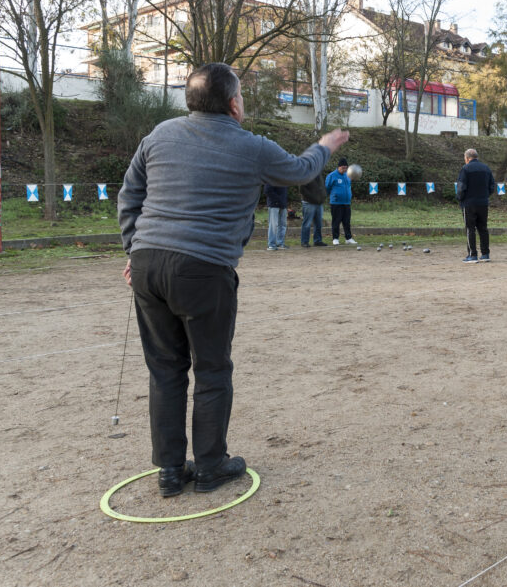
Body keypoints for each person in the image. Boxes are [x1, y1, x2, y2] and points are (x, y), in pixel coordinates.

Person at [118, 62, 348, 497]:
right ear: (233, 104)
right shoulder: (251, 147)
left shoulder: (159, 135)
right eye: (241, 94)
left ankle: (169, 470)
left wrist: (135, 249)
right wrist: (325, 145)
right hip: (203, 268)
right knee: (212, 368)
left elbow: (130, 195)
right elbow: (301, 171)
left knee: (165, 370)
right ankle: (209, 466)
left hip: (148, 265)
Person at [455, 148, 496, 263]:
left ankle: (472, 255)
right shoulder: (486, 168)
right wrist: (485, 196)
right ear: (476, 157)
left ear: (467, 158)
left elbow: (461, 187)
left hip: (469, 203)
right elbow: (492, 186)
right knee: (483, 228)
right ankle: (485, 254)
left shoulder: (465, 169)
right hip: (483, 203)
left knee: (470, 229)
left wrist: (459, 198)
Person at [325, 158, 356, 245]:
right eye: (343, 168)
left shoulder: (348, 175)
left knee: (347, 221)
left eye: (346, 168)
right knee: (336, 221)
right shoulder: (332, 176)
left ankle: (348, 238)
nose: (344, 169)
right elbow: (327, 188)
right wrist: (333, 196)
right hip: (336, 203)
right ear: (338, 167)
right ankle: (335, 238)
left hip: (346, 202)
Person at [299, 173, 328, 247]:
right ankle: (304, 241)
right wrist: (312, 198)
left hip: (319, 203)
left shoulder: (319, 175)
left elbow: (322, 187)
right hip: (309, 203)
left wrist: (323, 196)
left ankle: (318, 240)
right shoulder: (306, 174)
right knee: (307, 223)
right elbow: (302, 189)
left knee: (318, 223)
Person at [264, 184, 289, 250]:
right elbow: (267, 191)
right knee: (273, 225)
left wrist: (284, 202)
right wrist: (277, 200)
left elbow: (284, 192)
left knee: (283, 225)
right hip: (274, 205)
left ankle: (280, 243)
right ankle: (271, 244)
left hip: (283, 205)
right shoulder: (271, 177)